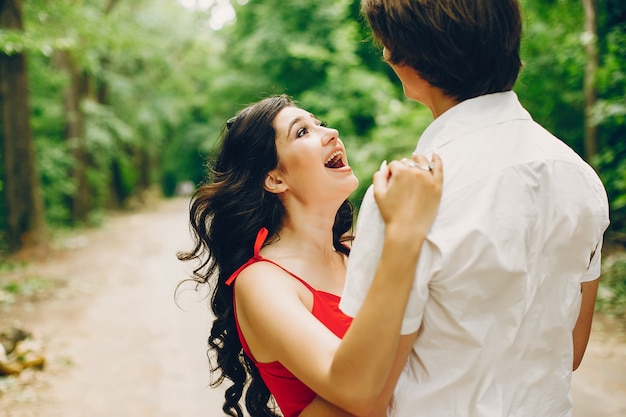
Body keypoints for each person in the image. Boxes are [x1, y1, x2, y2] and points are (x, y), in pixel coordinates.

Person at [339, 1, 611, 416]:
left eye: (386, 44)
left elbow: (371, 391)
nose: (384, 55)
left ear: (407, 60)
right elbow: (571, 350)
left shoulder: (403, 193)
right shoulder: (581, 178)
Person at [178, 94, 443, 417]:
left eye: (320, 124)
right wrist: (405, 234)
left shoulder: (358, 253)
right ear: (275, 179)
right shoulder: (261, 282)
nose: (330, 133)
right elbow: (358, 393)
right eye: (302, 132)